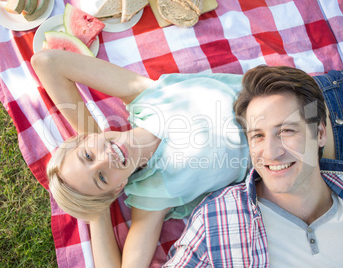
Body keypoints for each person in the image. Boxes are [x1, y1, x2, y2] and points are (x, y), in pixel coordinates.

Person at [31, 49, 250, 267]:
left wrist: (94, 137)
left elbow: (47, 61)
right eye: (102, 177)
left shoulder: (145, 96)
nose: (106, 159)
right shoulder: (152, 195)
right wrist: (99, 212)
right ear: (118, 188)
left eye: (87, 156)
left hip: (273, 90)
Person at [165, 63, 343, 267]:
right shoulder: (216, 218)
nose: (270, 153)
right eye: (257, 136)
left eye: (287, 131)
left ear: (320, 133)